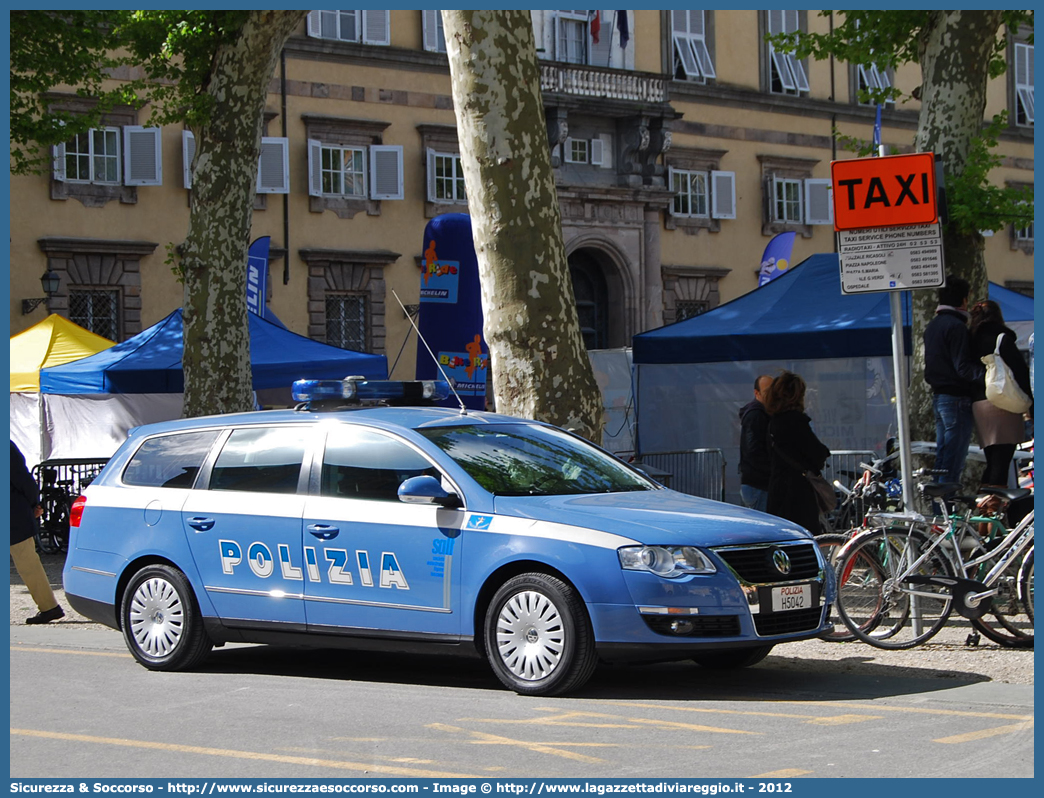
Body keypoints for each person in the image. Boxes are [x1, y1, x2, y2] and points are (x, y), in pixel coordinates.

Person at [923, 276, 983, 484]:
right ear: (964, 300)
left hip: (940, 398)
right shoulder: (956, 327)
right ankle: (944, 512)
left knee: (943, 460)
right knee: (952, 463)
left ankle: (940, 511)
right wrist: (990, 376)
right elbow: (963, 368)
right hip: (956, 399)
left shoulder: (933, 325)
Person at [968, 300, 1032, 487]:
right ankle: (992, 507)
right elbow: (1019, 370)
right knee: (1002, 462)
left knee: (992, 459)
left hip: (979, 403)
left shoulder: (970, 339)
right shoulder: (1002, 338)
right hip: (1003, 401)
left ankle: (985, 504)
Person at [764, 371, 831, 534]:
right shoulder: (796, 421)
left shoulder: (773, 422)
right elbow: (816, 452)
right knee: (805, 536)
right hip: (797, 492)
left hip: (778, 489)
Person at [10, 441, 65, 624]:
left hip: (13, 515)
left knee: (28, 563)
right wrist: (34, 504)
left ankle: (50, 607)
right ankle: (49, 607)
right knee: (28, 564)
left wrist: (34, 505)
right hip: (14, 514)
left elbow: (24, 481)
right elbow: (24, 481)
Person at [738, 375, 773, 512]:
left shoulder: (760, 413)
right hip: (758, 484)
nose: (772, 395)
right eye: (767, 392)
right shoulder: (756, 415)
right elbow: (753, 450)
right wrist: (771, 471)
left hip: (758, 483)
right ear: (756, 393)